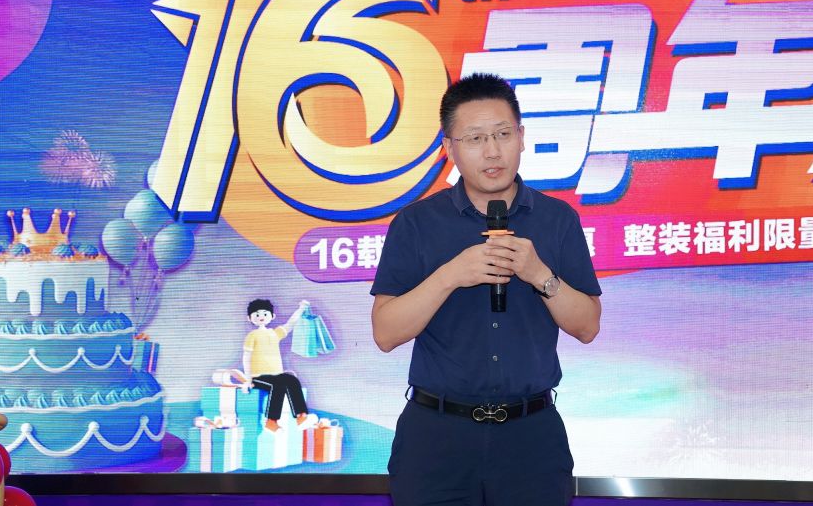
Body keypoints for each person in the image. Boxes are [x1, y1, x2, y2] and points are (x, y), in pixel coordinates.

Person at [371, 73, 602, 506]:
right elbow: (386, 333)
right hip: (436, 435)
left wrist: (539, 274)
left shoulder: (557, 220)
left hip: (531, 436)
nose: (492, 151)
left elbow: (587, 326)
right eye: (475, 138)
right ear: (449, 147)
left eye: (503, 134)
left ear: (522, 137)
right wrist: (450, 275)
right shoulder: (416, 223)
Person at [242, 298, 317, 432]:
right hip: (258, 376)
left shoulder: (274, 333)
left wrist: (301, 309)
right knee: (278, 385)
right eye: (257, 314)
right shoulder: (252, 336)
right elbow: (246, 357)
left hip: (276, 374)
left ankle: (301, 416)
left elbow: (290, 324)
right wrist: (248, 380)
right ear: (250, 318)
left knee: (292, 380)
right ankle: (271, 421)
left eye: (265, 314)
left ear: (272, 316)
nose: (261, 317)